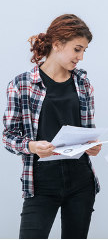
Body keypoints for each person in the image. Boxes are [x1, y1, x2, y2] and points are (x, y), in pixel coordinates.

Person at [3, 14, 102, 239]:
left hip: (80, 180)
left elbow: (87, 131)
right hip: (40, 182)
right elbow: (8, 136)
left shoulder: (83, 83)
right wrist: (31, 146)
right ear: (57, 44)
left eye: (84, 50)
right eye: (77, 49)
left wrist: (92, 145)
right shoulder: (21, 85)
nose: (81, 57)